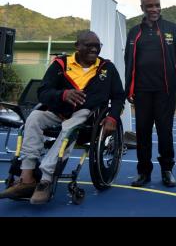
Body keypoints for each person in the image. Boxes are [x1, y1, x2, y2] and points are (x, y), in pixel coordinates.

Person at [0, 31, 124, 204]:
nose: (95, 49)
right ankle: (26, 177)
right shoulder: (61, 64)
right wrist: (62, 95)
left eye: (98, 46)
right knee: (34, 118)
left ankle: (45, 179)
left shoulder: (107, 68)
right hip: (58, 112)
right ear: (77, 46)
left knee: (70, 126)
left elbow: (118, 96)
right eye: (89, 45)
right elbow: (43, 92)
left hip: (87, 115)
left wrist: (113, 117)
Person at [125, 0, 176, 188]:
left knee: (165, 132)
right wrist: (129, 87)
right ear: (142, 8)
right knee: (143, 132)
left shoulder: (173, 29)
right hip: (142, 91)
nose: (154, 9)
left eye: (157, 5)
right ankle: (143, 172)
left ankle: (167, 170)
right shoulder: (134, 32)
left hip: (166, 90)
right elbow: (128, 61)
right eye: (149, 6)